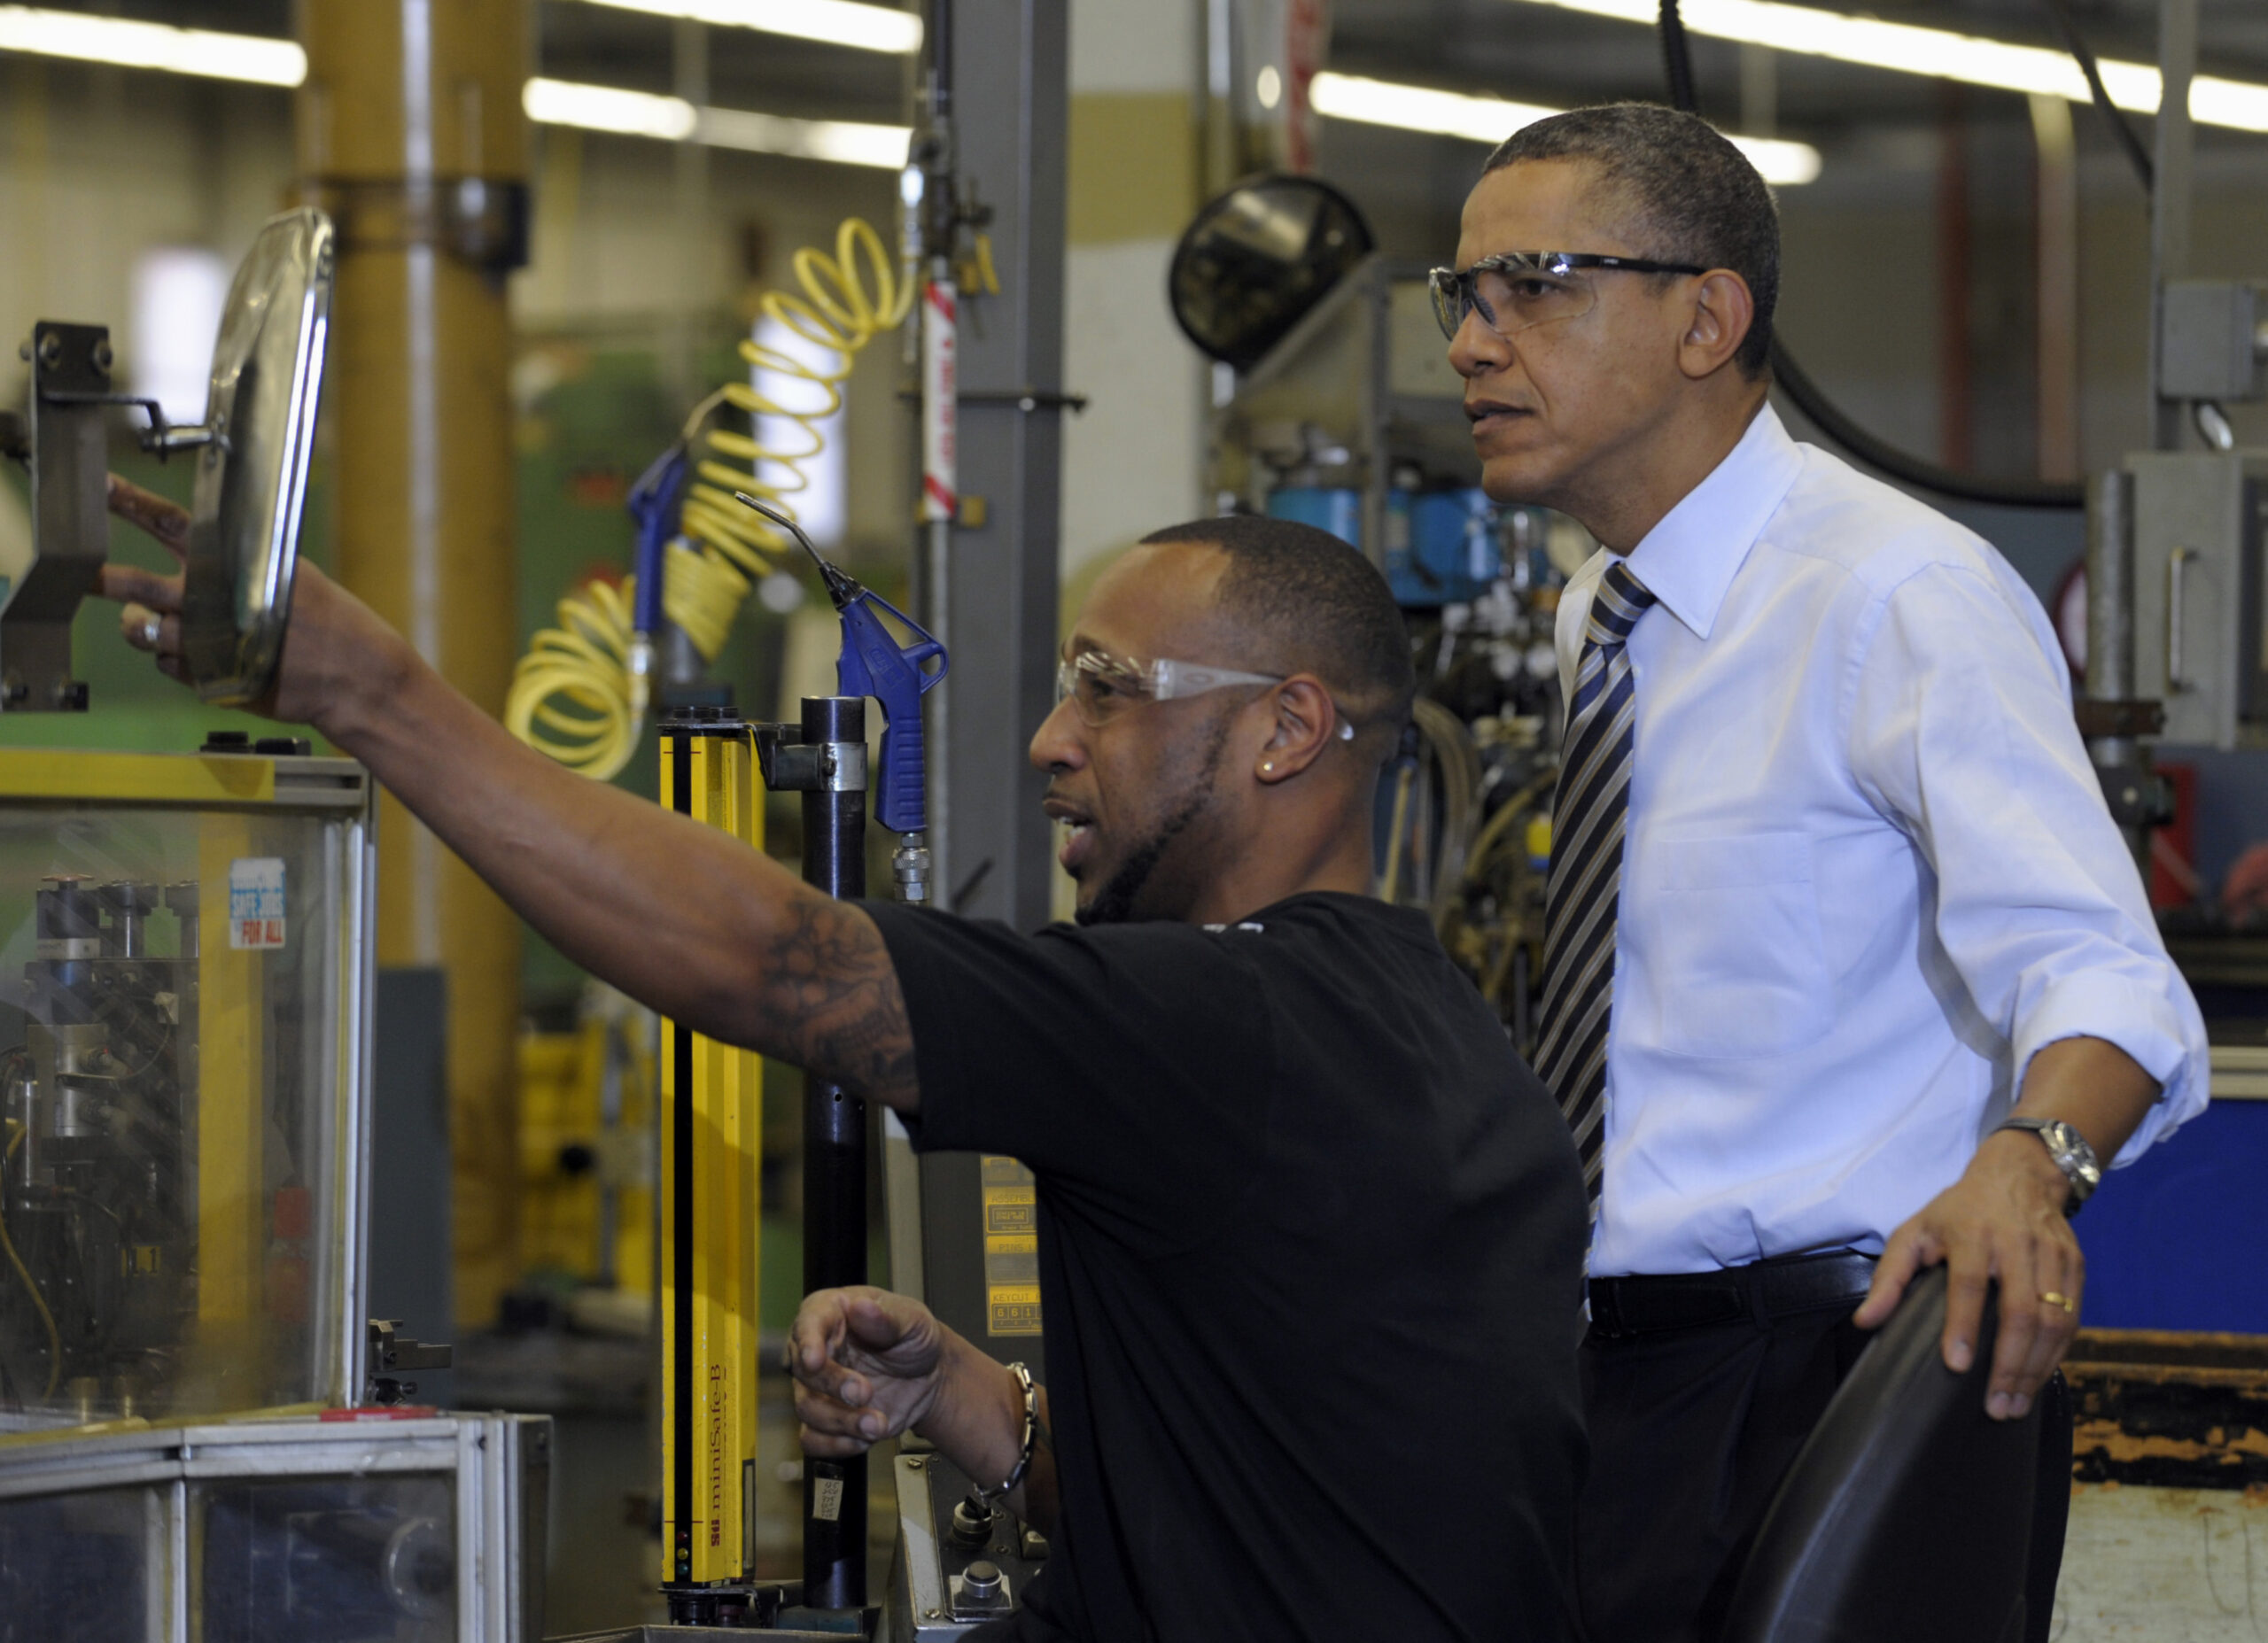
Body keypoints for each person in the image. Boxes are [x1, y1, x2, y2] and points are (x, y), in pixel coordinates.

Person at [99, 496, 1589, 1641]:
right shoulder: (1421, 1022)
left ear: (1287, 729)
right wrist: (960, 1395)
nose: (1049, 740)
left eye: (1109, 688)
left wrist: (378, 702)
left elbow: (778, 965)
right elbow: (1258, 1505)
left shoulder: (1227, 1020)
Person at [1434, 103, 2208, 1642]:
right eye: (1461, 294)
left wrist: (2024, 1164)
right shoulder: (1608, 611)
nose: (1472, 341)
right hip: (1606, 1376)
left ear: (1707, 316)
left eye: (1537, 286)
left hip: (1810, 1379)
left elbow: (2107, 973)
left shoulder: (1897, 592)